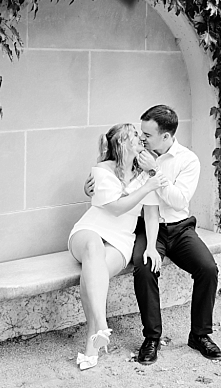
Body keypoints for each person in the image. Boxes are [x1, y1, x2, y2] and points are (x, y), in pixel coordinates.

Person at [84, 105, 221, 365]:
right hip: (147, 229)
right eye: (142, 133)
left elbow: (177, 199)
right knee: (145, 268)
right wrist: (90, 186)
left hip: (180, 227)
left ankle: (200, 335)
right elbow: (112, 171)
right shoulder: (138, 152)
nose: (143, 137)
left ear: (166, 136)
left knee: (208, 269)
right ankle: (152, 338)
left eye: (148, 134)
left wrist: (153, 171)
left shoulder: (187, 160)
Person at [68, 124, 166, 370]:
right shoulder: (102, 170)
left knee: (92, 272)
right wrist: (147, 186)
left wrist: (152, 246)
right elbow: (115, 207)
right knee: (93, 248)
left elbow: (152, 214)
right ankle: (100, 324)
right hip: (90, 229)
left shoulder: (147, 173)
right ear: (122, 143)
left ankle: (96, 335)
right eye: (134, 135)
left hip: (121, 240)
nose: (140, 138)